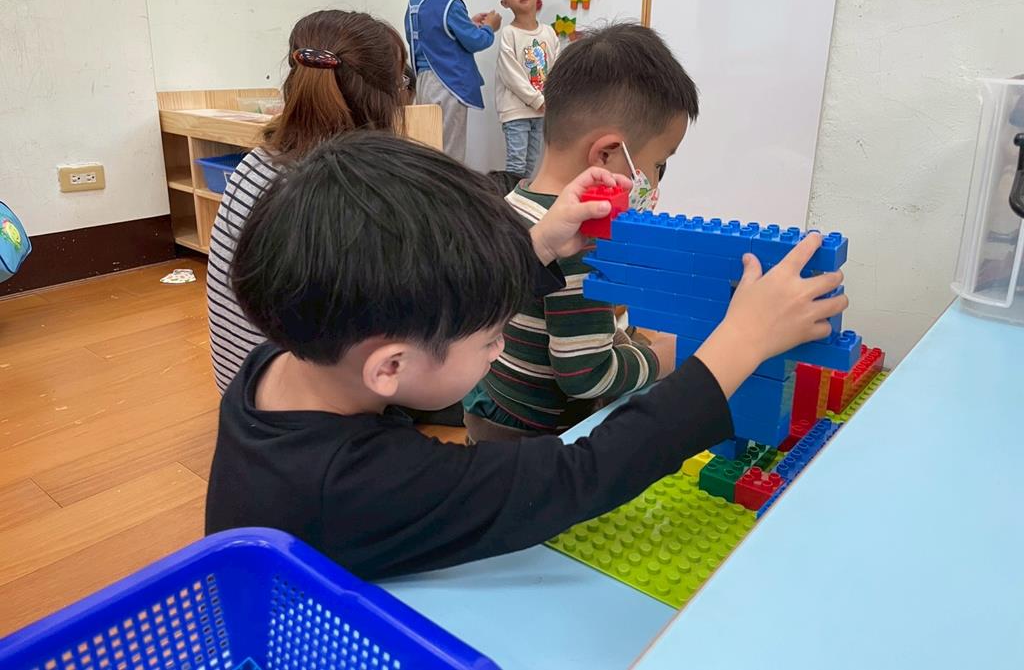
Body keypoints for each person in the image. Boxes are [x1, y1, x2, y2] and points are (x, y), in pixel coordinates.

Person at [205, 129, 847, 580]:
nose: (501, 345)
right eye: (492, 338)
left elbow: (429, 305)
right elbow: (581, 475)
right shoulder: (362, 486)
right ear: (390, 367)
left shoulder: (288, 357)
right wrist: (742, 342)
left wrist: (537, 242)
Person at [464, 22, 694, 442]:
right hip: (534, 439)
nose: (656, 180)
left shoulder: (515, 202)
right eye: (659, 163)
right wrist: (664, 356)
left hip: (490, 406)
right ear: (606, 155)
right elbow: (588, 376)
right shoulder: (578, 242)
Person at [206, 9, 407, 392]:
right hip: (292, 402)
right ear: (385, 98)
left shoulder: (258, 161)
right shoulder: (342, 192)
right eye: (402, 82)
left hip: (239, 386)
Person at [405, 0, 500, 162]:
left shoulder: (414, 1)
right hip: (448, 84)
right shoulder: (448, 1)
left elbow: (433, 36)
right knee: (450, 152)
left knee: (429, 145)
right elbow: (476, 41)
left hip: (424, 82)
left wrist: (467, 23)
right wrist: (489, 27)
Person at [494, 0, 559, 177]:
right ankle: (509, 199)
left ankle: (522, 198)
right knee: (516, 165)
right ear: (504, 2)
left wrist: (551, 98)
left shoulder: (548, 33)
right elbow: (510, 75)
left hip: (541, 111)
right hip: (515, 112)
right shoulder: (509, 33)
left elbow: (556, 69)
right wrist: (537, 99)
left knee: (531, 165)